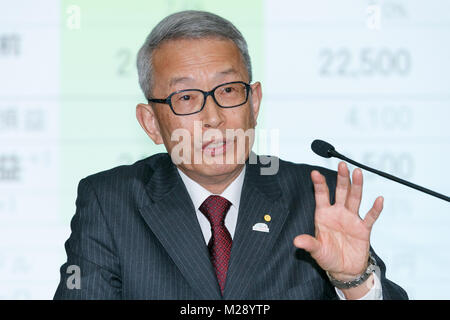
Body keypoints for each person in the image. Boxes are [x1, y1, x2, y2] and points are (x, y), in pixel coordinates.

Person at [54, 10, 408, 300]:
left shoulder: (317, 196)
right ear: (151, 123)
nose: (214, 118)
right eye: (187, 98)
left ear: (254, 103)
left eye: (227, 90)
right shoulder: (109, 200)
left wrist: (354, 282)